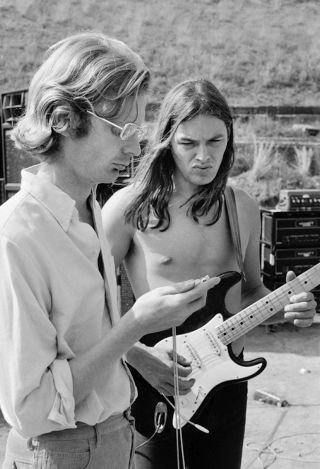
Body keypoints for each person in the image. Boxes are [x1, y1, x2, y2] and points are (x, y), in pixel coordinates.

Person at [0, 36, 220, 469]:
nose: (137, 149)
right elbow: (33, 407)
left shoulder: (88, 208)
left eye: (140, 132)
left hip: (114, 438)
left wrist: (138, 353)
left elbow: (75, 339)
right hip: (60, 452)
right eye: (124, 131)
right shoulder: (16, 237)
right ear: (64, 118)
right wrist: (136, 324)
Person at [101, 78, 316, 469]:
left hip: (226, 383)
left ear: (229, 140)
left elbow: (251, 293)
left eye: (215, 142)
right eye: (189, 143)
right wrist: (141, 358)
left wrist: (290, 307)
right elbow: (88, 306)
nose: (203, 156)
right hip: (154, 381)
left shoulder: (242, 207)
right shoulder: (128, 207)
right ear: (167, 140)